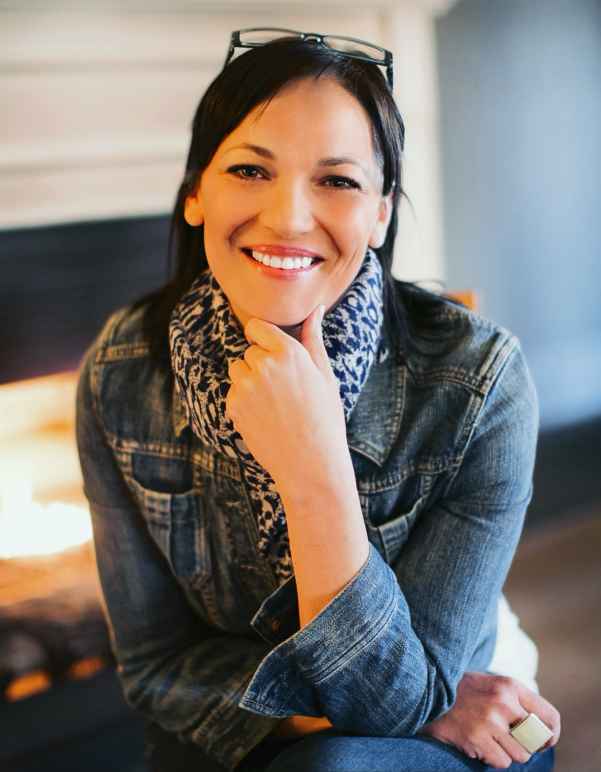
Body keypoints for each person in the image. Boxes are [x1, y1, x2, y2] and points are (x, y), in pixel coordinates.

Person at [75, 29, 561, 772]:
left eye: (336, 181)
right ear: (197, 192)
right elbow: (156, 668)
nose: (289, 218)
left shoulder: (479, 382)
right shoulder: (121, 371)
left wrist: (311, 468)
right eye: (248, 170)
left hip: (462, 735)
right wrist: (327, 713)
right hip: (277, 733)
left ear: (379, 213)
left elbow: (392, 710)